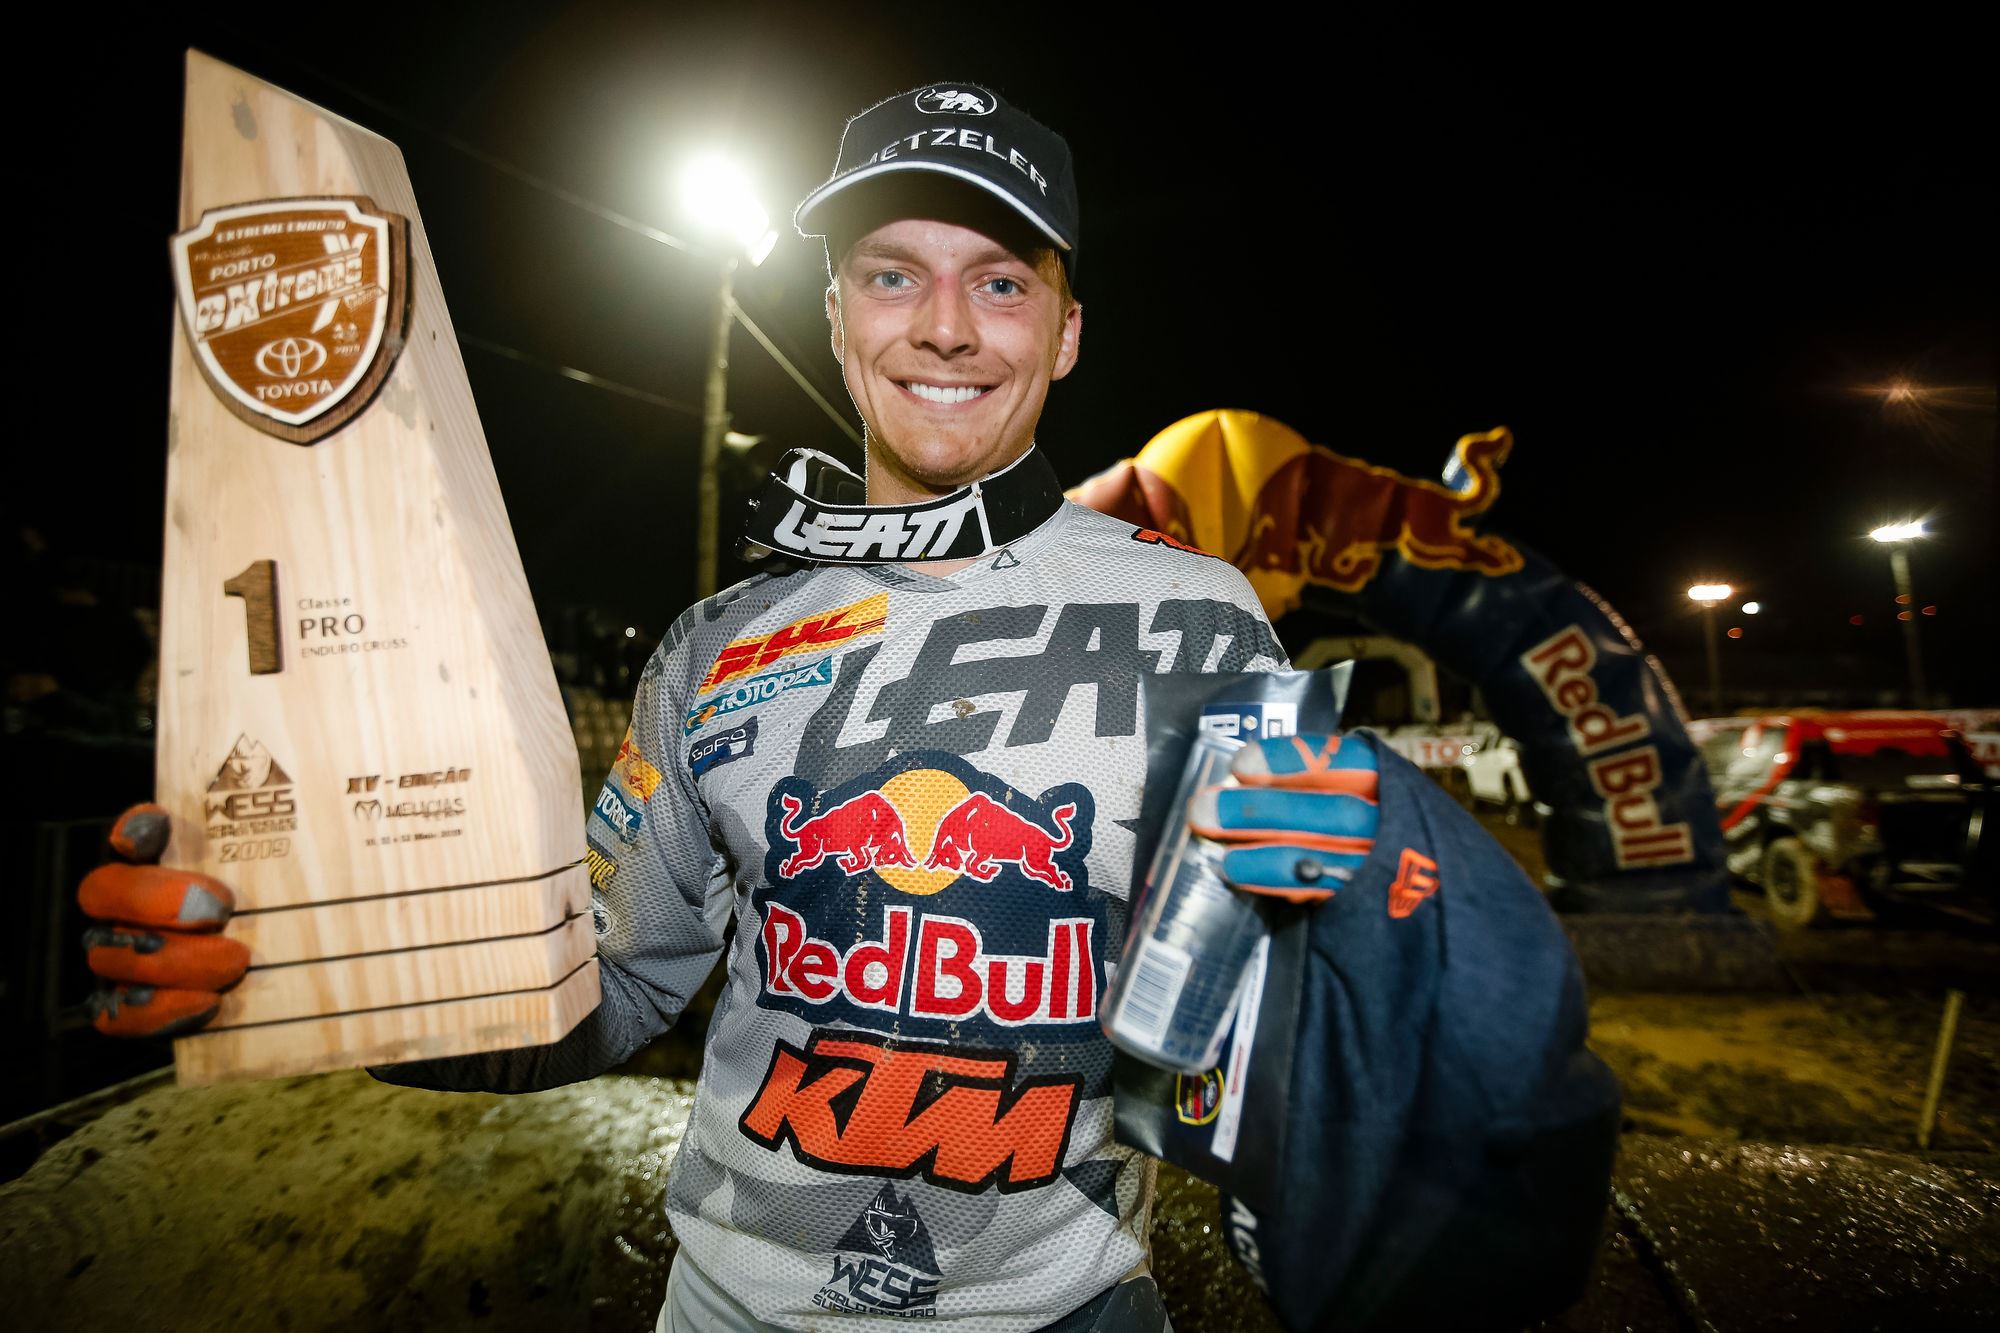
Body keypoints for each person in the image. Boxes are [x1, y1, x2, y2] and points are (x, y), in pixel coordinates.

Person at [80, 82, 1604, 1333]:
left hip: (1073, 1310)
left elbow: (1269, 1009)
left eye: (1000, 280)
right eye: (894, 274)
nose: (946, 326)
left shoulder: (1201, 610)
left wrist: (1358, 902)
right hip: (734, 1308)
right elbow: (608, 994)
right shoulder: (714, 641)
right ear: (833, 314)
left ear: (1066, 331)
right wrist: (316, 965)